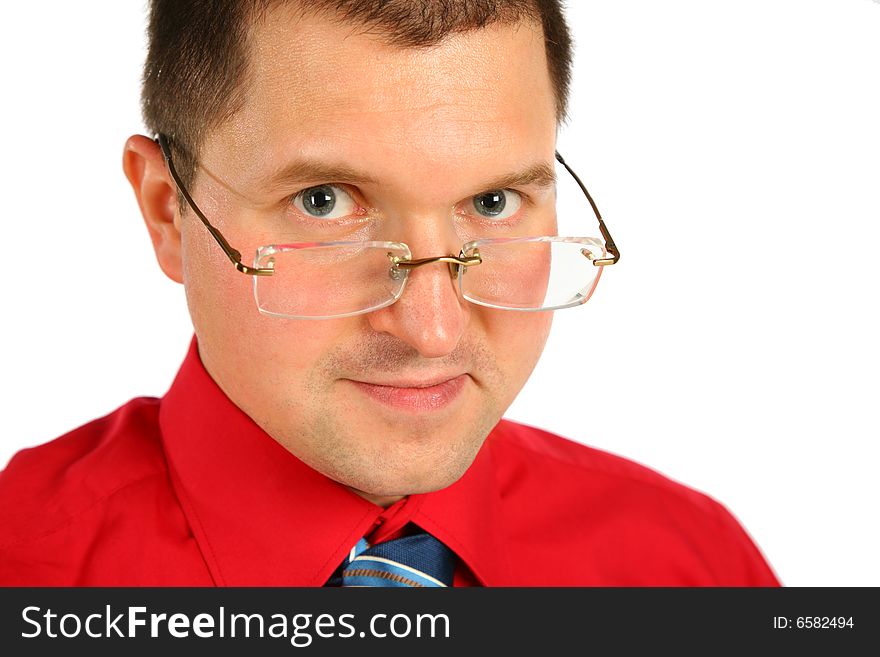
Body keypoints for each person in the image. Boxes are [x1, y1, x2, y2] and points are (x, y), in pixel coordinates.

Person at [0, 0, 778, 587]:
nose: (432, 330)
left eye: (494, 201)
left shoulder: (693, 566)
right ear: (169, 212)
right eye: (324, 202)